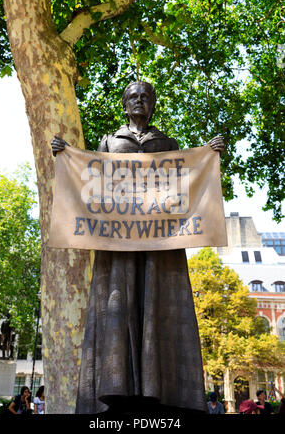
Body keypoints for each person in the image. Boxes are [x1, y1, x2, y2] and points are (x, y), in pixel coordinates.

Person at [52, 81, 224, 415]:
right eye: (133, 96)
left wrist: (208, 152)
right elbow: (89, 180)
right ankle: (116, 388)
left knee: (156, 304)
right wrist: (65, 154)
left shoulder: (167, 142)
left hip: (158, 244)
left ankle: (158, 389)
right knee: (117, 305)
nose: (139, 101)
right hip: (117, 244)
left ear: (153, 104)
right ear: (124, 103)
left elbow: (187, 178)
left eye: (145, 97)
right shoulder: (108, 141)